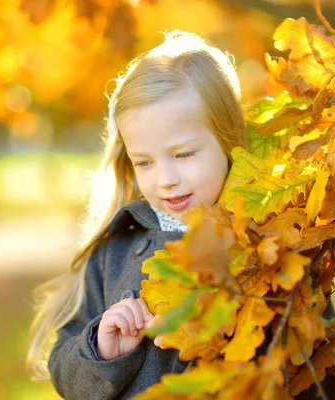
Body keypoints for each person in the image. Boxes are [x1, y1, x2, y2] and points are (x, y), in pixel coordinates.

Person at [27, 30, 246, 399]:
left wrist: (219, 336)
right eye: (144, 162)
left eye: (184, 154)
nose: (166, 180)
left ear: (228, 141)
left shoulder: (266, 240)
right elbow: (65, 376)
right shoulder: (116, 249)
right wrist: (100, 348)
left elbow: (313, 366)